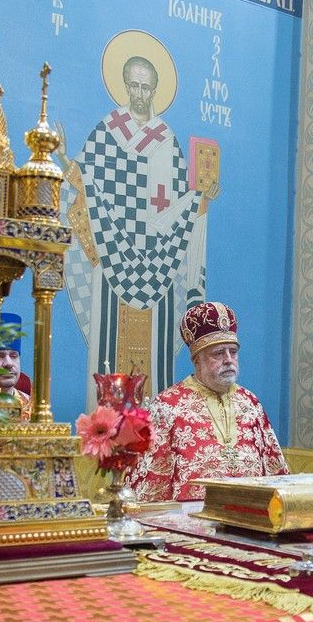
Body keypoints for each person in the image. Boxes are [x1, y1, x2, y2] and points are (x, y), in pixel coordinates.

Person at [66, 40, 218, 398]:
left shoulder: (167, 140)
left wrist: (201, 198)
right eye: (133, 85)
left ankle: (155, 422)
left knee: (155, 361)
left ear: (154, 90)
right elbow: (84, 186)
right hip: (112, 256)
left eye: (146, 87)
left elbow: (182, 203)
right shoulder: (107, 131)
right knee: (109, 352)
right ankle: (104, 425)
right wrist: (64, 162)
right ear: (124, 85)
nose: (139, 93)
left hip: (158, 264)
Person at [126, 301, 288, 502]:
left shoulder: (250, 403)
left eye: (233, 352)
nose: (228, 359)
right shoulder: (167, 406)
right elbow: (150, 482)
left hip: (249, 515)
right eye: (218, 353)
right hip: (189, 518)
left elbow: (276, 474)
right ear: (197, 360)